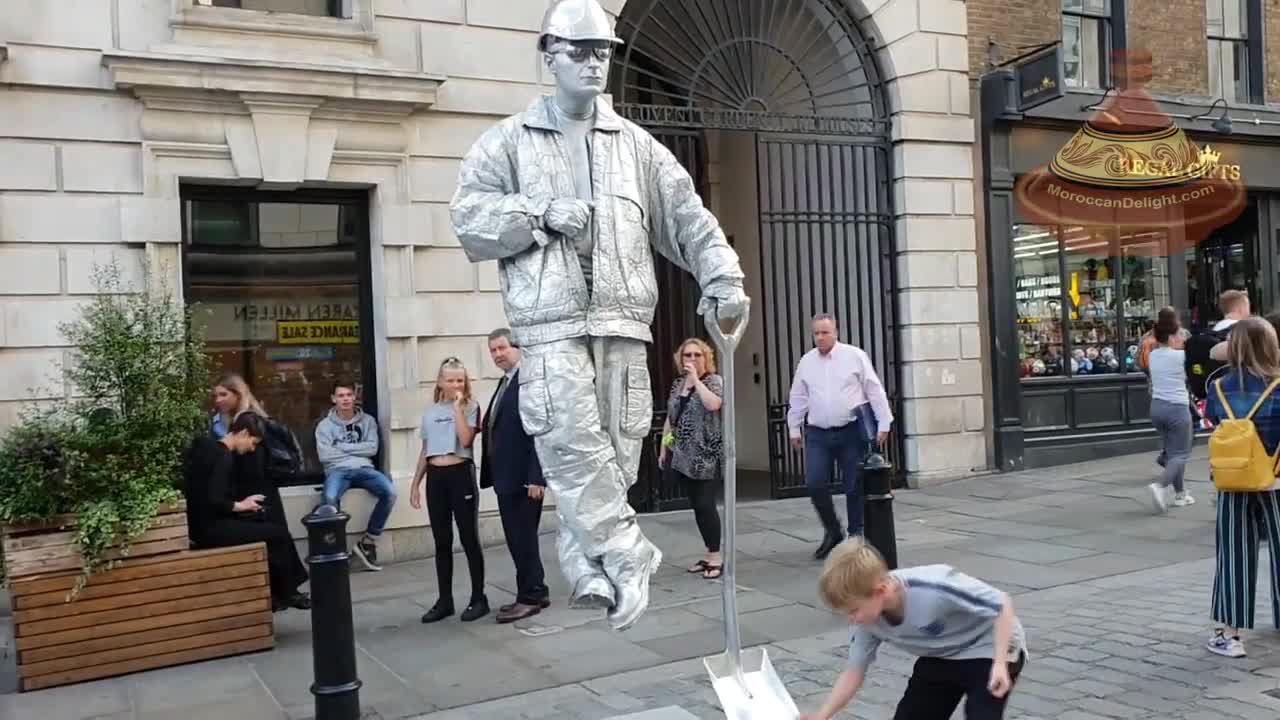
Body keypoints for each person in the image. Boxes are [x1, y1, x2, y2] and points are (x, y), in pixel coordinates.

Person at [449, 0, 749, 630]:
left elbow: (687, 219)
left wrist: (722, 274)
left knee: (612, 458)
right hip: (550, 325)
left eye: (603, 52)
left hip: (622, 322)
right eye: (579, 51)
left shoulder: (638, 147)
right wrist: (537, 216)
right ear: (549, 54)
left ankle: (589, 570)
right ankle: (629, 552)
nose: (593, 64)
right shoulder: (506, 142)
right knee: (568, 445)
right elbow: (469, 221)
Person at [800, 538, 1027, 720]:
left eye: (854, 610)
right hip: (941, 655)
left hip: (989, 646)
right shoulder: (867, 623)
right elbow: (854, 671)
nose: (852, 619)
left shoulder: (935, 587)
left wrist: (999, 664)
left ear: (880, 590)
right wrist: (823, 714)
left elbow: (1001, 604)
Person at [787, 314, 894, 560]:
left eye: (825, 332)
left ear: (836, 332)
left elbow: (873, 389)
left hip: (850, 430)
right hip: (817, 433)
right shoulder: (807, 362)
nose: (821, 337)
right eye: (817, 333)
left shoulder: (854, 356)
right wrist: (794, 428)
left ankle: (856, 537)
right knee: (815, 483)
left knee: (854, 486)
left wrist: (884, 422)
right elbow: (798, 397)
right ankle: (833, 530)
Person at [1203, 317, 1280, 658]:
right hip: (1276, 479)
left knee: (1234, 555)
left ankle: (1230, 635)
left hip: (1232, 480)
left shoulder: (1217, 388)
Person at [183, 424, 311, 612]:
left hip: (201, 525)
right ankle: (287, 592)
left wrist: (243, 503)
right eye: (253, 442)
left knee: (266, 527)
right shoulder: (223, 456)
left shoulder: (208, 451)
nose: (252, 448)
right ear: (243, 433)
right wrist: (241, 505)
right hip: (212, 529)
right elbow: (215, 498)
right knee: (278, 533)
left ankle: (282, 592)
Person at [480, 328, 551, 623]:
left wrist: (537, 476)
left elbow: (542, 430)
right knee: (517, 538)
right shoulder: (506, 381)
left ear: (517, 348)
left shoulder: (528, 381)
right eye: (493, 350)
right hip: (506, 476)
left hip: (524, 478)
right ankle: (537, 590)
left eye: (502, 348)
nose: (498, 354)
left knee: (522, 539)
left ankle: (530, 596)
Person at [411, 358, 489, 623]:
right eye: (451, 380)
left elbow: (466, 439)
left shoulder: (471, 406)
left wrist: (457, 408)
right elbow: (425, 450)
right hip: (436, 477)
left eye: (460, 380)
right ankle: (445, 600)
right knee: (441, 541)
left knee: (468, 539)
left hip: (460, 474)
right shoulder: (431, 412)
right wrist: (415, 484)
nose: (456, 384)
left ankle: (478, 598)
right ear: (440, 382)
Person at [659, 338, 725, 580]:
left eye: (698, 355)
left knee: (706, 505)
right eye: (688, 355)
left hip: (706, 454)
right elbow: (671, 417)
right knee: (697, 506)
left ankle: (716, 557)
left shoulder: (714, 381)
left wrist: (696, 380)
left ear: (706, 358)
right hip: (683, 454)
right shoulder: (678, 384)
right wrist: (664, 447)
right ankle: (709, 554)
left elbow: (714, 404)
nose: (692, 359)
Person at [316, 378, 397, 572]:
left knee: (390, 492)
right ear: (333, 399)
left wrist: (342, 446)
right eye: (341, 395)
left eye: (349, 395)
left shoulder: (368, 421)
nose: (345, 399)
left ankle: (368, 542)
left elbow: (372, 448)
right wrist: (356, 450)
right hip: (337, 470)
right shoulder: (324, 426)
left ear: (355, 397)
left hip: (364, 469)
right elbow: (325, 455)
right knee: (329, 498)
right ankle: (334, 549)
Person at [1146, 310, 1196, 512]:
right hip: (1177, 408)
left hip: (1157, 408)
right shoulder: (1181, 357)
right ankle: (1160, 486)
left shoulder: (1153, 355)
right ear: (1173, 337)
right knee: (1180, 454)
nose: (1183, 338)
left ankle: (1180, 494)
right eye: (1181, 334)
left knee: (1173, 452)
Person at [211, 373, 267, 439]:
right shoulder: (216, 421)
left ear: (238, 394)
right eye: (215, 396)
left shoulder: (254, 421)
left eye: (223, 394)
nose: (218, 400)